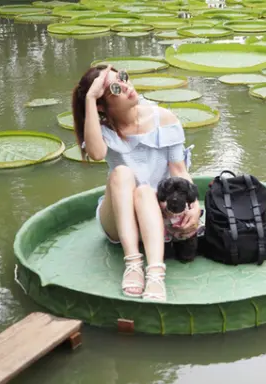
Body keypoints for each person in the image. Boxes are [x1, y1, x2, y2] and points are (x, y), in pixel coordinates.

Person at [71, 64, 200, 302]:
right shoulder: (103, 131)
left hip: (157, 212)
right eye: (115, 88)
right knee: (121, 173)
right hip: (120, 220)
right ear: (101, 105)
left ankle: (155, 273)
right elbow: (97, 154)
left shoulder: (164, 118)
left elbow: (179, 171)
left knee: (145, 191)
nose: (126, 86)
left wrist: (195, 206)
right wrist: (90, 98)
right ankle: (133, 263)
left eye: (123, 77)